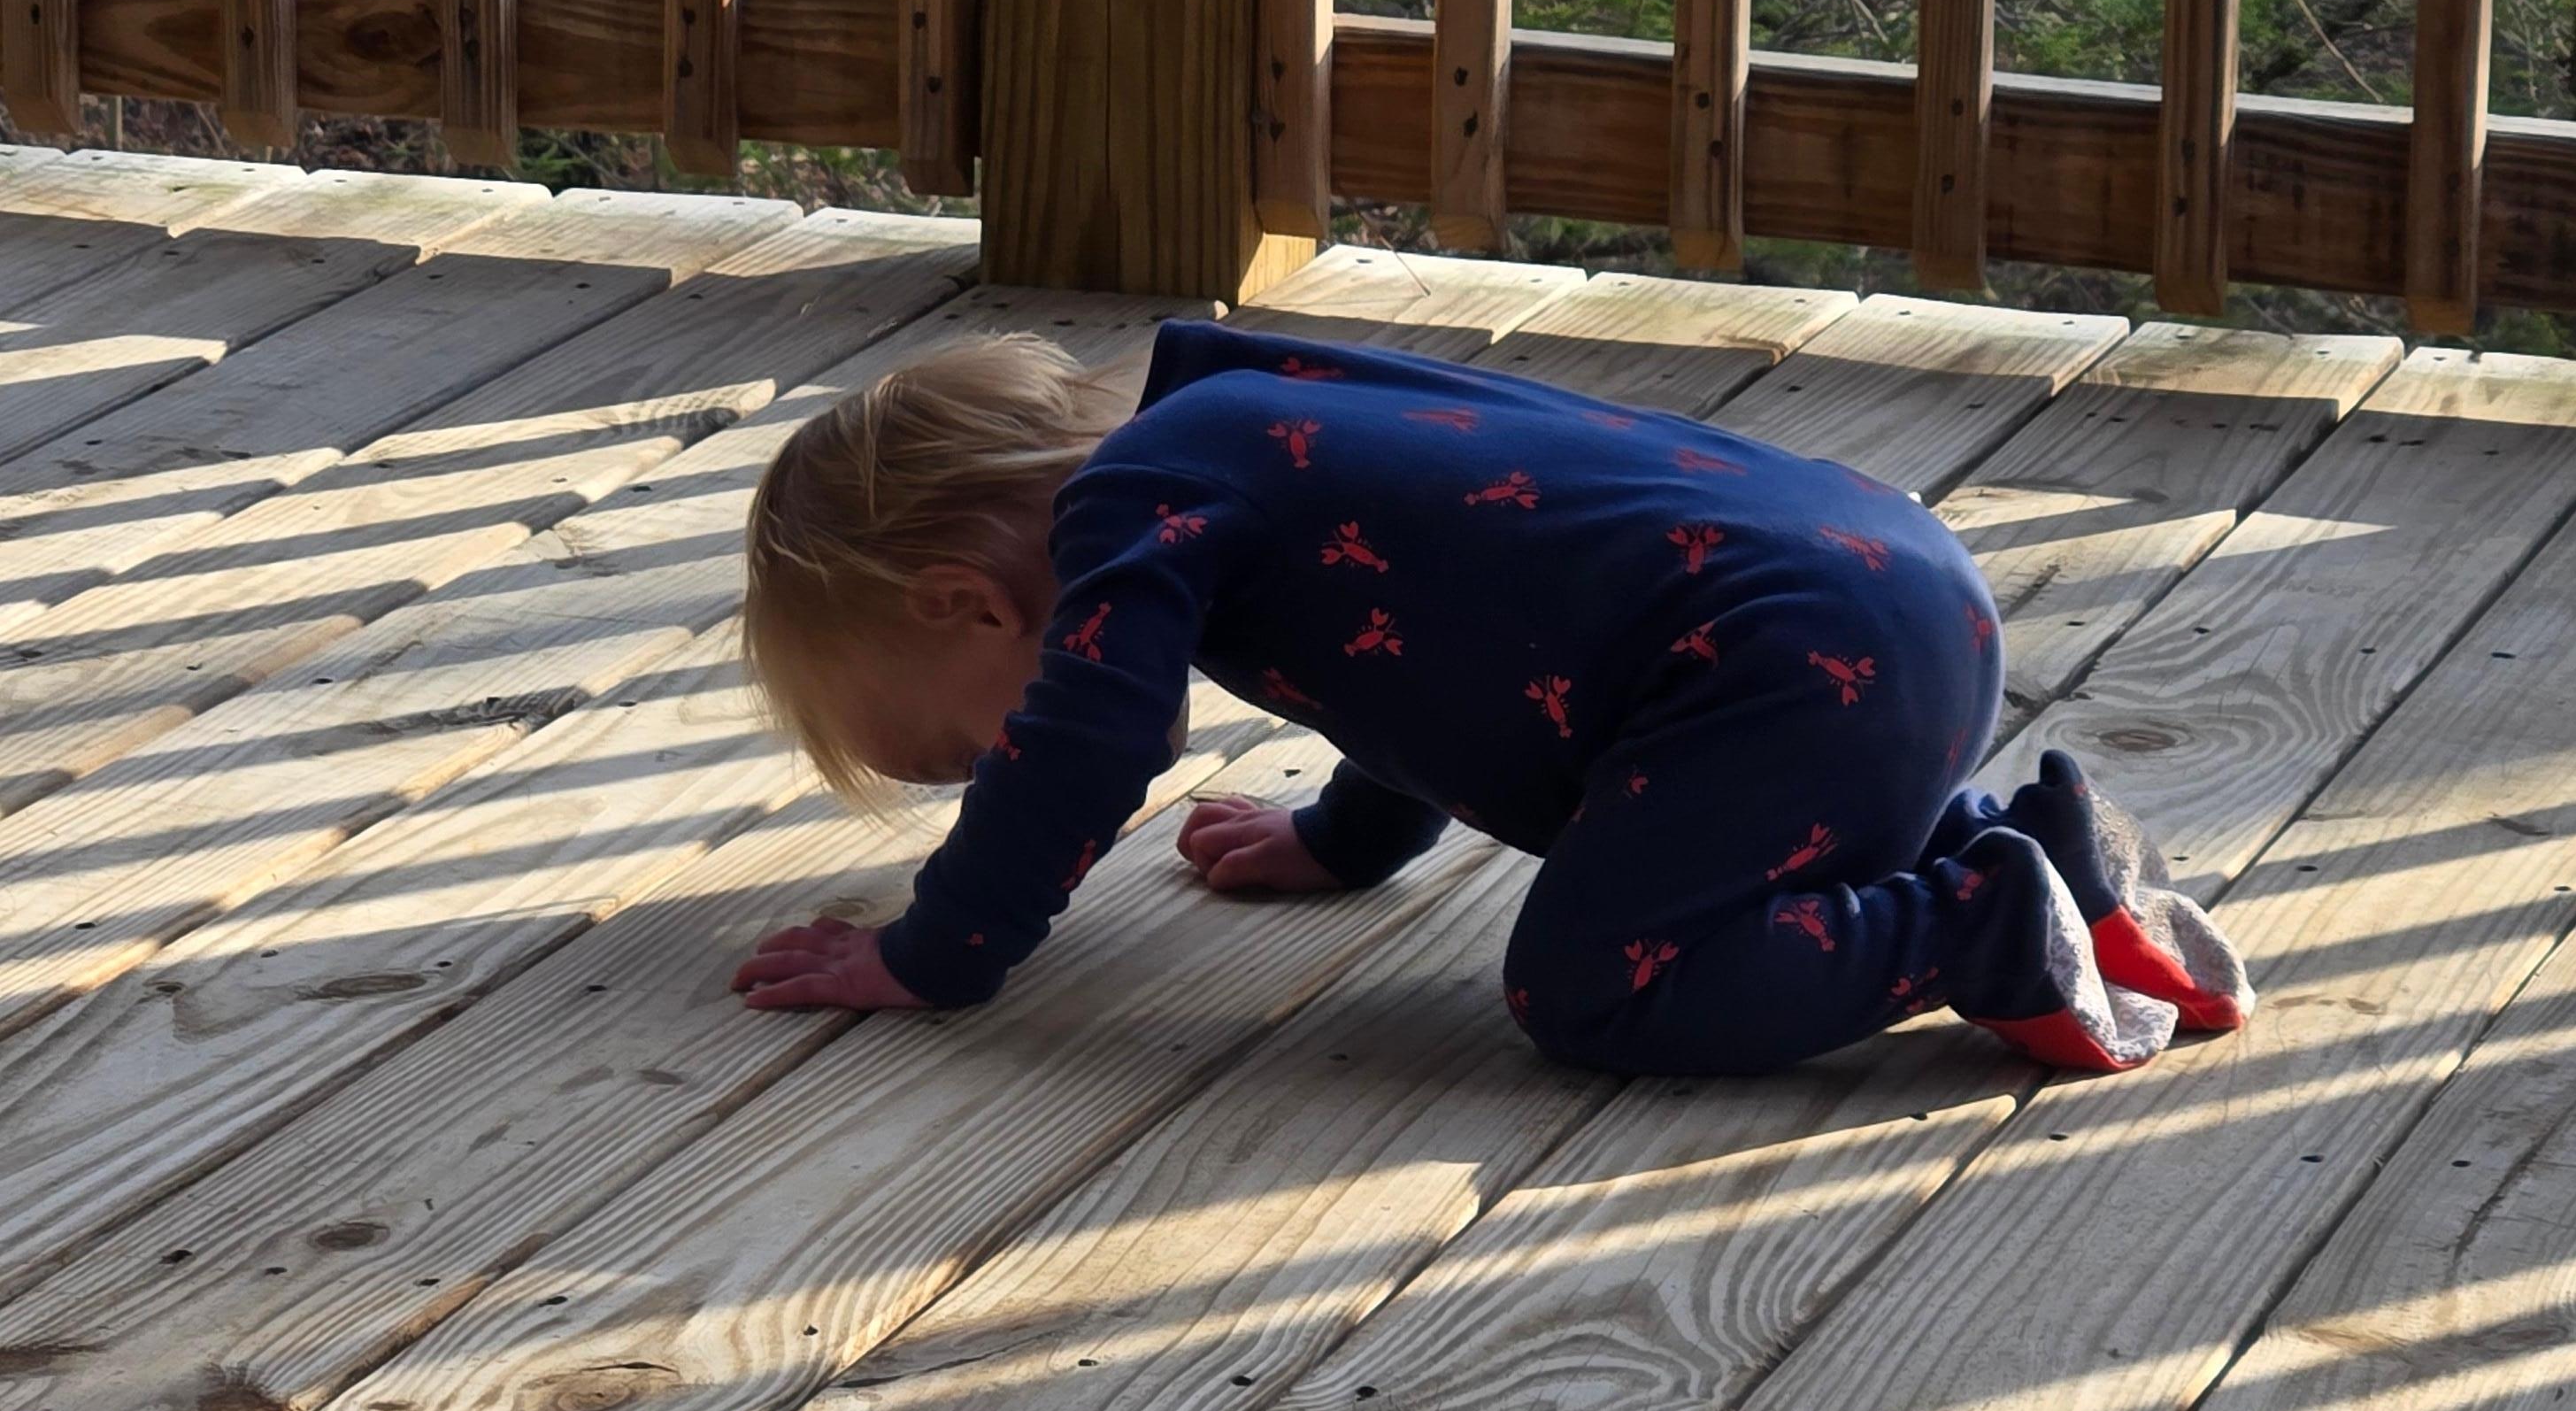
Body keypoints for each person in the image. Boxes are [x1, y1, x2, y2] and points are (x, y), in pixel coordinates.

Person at [732, 318, 2251, 1076]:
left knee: (1595, 987)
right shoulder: (1239, 429)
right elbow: (1438, 641)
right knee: (1733, 818)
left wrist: (937, 951)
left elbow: (1092, 743)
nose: (1008, 760)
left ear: (966, 603)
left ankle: (1977, 923)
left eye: (967, 752)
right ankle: (2034, 851)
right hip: (1880, 586)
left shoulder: (1127, 508)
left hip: (1774, 644)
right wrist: (1345, 841)